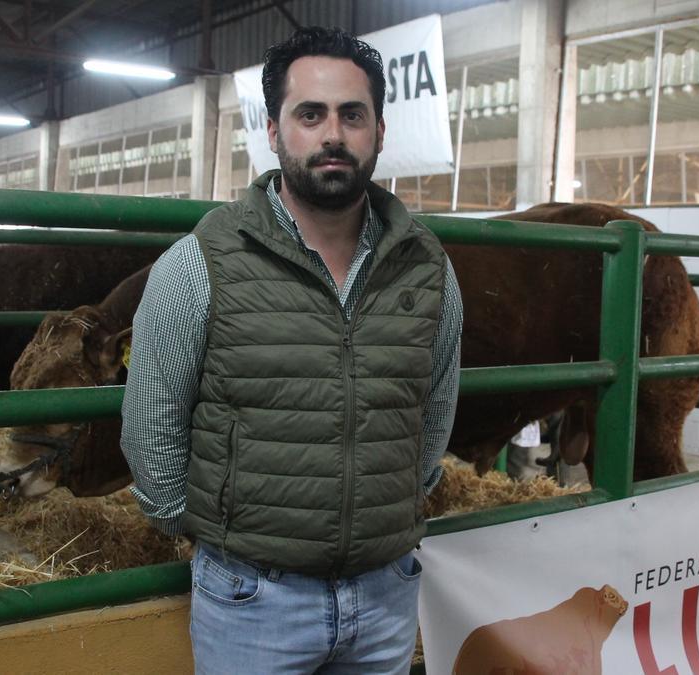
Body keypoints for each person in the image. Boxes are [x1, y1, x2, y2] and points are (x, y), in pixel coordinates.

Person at [120, 26, 463, 674]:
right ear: (274, 134)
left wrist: (385, 517)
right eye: (310, 114)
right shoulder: (200, 264)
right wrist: (211, 537)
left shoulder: (428, 269)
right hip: (255, 599)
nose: (332, 134)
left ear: (380, 132)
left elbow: (433, 412)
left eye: (352, 115)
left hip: (386, 591)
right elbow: (151, 426)